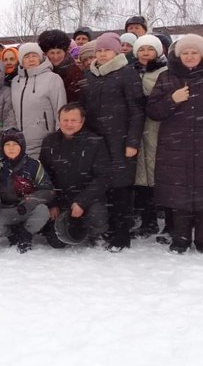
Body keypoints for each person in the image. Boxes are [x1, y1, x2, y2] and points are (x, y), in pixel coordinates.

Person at [146, 34, 203, 254]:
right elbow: (153, 111)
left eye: (194, 52)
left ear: (202, 55)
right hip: (174, 147)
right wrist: (172, 99)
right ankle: (180, 240)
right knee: (178, 195)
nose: (190, 56)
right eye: (185, 52)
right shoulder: (166, 77)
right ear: (178, 55)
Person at [81, 32, 145, 251]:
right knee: (101, 186)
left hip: (120, 140)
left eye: (106, 50)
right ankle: (105, 229)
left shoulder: (127, 73)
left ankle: (121, 235)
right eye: (98, 50)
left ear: (116, 52)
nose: (102, 54)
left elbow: (137, 111)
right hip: (96, 142)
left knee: (121, 189)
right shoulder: (89, 75)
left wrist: (132, 142)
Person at [40, 104, 110, 247]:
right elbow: (44, 176)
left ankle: (95, 234)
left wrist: (82, 202)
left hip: (87, 199)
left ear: (82, 121)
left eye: (73, 120)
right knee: (56, 243)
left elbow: (102, 177)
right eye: (65, 120)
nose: (69, 124)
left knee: (97, 214)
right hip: (60, 200)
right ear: (59, 120)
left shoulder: (95, 142)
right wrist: (52, 203)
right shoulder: (49, 141)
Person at [0, 128, 52, 252]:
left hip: (27, 209)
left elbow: (47, 189)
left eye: (15, 144)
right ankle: (12, 234)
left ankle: (26, 233)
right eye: (7, 145)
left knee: (43, 211)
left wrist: (29, 203)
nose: (11, 148)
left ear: (22, 146)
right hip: (7, 210)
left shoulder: (34, 165)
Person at [132, 35, 168, 238]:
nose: (145, 53)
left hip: (157, 128)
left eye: (150, 49)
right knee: (141, 178)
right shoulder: (131, 72)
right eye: (142, 49)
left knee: (157, 175)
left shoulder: (165, 72)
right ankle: (148, 221)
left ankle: (162, 218)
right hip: (138, 129)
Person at [10, 43, 67, 158]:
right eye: (26, 57)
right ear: (21, 60)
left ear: (40, 58)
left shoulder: (52, 78)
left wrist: (60, 138)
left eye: (34, 55)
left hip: (44, 141)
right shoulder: (15, 81)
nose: (31, 59)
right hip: (20, 143)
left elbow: (60, 109)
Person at [38, 29, 84, 102]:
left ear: (65, 52)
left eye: (59, 52)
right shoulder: (40, 70)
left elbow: (77, 98)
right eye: (52, 53)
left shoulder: (75, 71)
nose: (56, 57)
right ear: (46, 54)